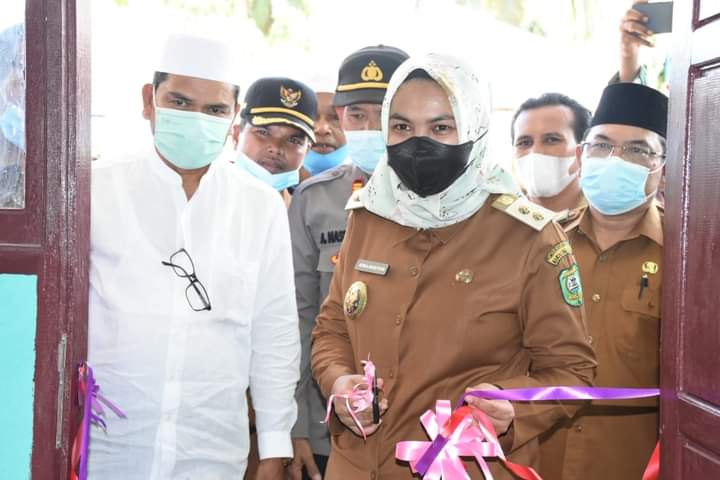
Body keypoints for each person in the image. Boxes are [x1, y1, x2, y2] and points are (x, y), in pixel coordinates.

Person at [311, 53, 597, 479]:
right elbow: (333, 326)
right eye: (402, 127)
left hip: (465, 468)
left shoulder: (529, 236)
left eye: (440, 128)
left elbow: (573, 370)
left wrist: (512, 405)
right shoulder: (368, 216)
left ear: (474, 128)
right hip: (355, 466)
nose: (417, 143)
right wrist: (338, 382)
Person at [88, 33, 300, 479]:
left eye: (215, 110)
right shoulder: (96, 189)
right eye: (180, 103)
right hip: (107, 446)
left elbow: (274, 331)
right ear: (149, 101)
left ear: (233, 117)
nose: (197, 120)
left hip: (211, 451)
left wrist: (274, 447)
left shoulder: (259, 207)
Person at [286, 45, 408, 480]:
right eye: (357, 114)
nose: (369, 128)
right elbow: (299, 317)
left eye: (384, 114)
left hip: (421, 428)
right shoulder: (314, 200)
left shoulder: (452, 203)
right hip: (331, 426)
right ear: (340, 117)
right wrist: (297, 427)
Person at [539, 82, 667, 480]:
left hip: (632, 464)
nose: (616, 159)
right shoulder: (540, 243)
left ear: (663, 168)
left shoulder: (687, 258)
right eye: (602, 145)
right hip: (537, 461)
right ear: (581, 156)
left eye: (638, 150)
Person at [233, 77, 317, 204]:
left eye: (293, 140)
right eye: (263, 133)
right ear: (237, 135)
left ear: (307, 151)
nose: (276, 148)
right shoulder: (207, 194)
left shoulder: (308, 210)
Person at [511, 93, 591, 212]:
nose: (535, 152)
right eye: (525, 142)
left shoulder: (609, 217)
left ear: (583, 151)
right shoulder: (498, 218)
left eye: (551, 140)